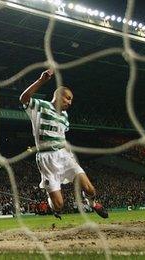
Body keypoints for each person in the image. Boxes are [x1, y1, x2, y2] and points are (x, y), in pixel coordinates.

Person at [19, 69, 108, 219]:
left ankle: (93, 204)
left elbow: (61, 137)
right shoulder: (41, 106)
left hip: (64, 155)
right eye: (68, 98)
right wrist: (41, 81)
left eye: (71, 100)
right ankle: (52, 205)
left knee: (90, 189)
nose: (70, 102)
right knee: (59, 205)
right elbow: (23, 98)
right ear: (58, 96)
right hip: (47, 159)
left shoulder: (65, 117)